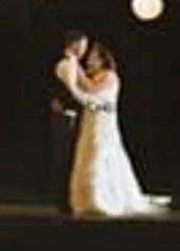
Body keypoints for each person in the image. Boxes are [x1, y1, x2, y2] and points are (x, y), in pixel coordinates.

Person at [66, 39, 168, 218]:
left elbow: (90, 89)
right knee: (87, 153)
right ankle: (86, 200)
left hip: (104, 123)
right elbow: (83, 89)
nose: (89, 61)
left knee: (99, 154)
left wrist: (75, 65)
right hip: (91, 120)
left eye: (93, 58)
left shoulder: (109, 75)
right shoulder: (94, 75)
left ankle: (99, 199)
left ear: (102, 59)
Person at [48, 31, 87, 215]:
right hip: (64, 115)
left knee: (69, 158)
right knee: (64, 159)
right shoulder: (67, 63)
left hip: (69, 115)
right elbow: (72, 91)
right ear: (74, 44)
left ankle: (67, 200)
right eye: (82, 45)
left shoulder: (74, 64)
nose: (84, 49)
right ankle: (62, 201)